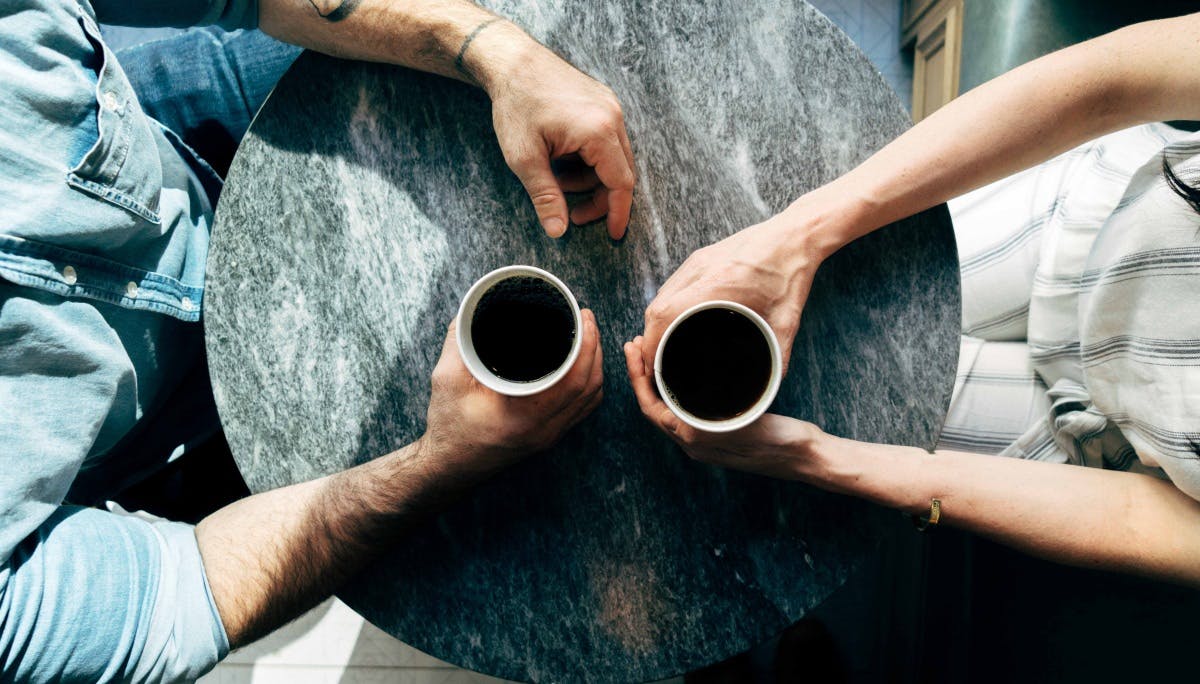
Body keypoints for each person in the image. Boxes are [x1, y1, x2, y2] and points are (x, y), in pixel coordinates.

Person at [1, 0, 631, 680]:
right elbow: (172, 598)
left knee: (565, 73)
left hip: (142, 134)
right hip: (162, 429)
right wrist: (440, 464)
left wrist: (495, 51)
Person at [628, 12, 1200, 586]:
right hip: (1089, 224)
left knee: (841, 412)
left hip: (1109, 450)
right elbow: (1112, 80)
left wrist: (814, 456)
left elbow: (1145, 524)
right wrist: (796, 238)